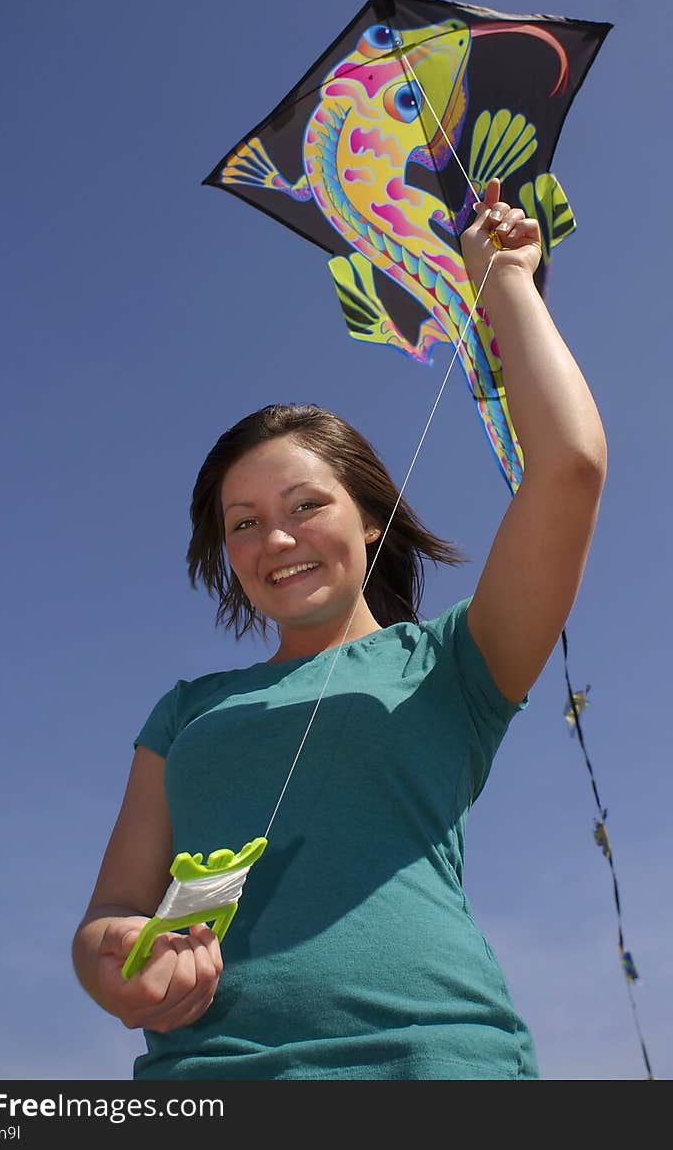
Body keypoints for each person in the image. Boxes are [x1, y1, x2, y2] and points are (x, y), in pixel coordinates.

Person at [71, 179, 608, 1079]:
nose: (273, 539)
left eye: (304, 504)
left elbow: (570, 466)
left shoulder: (455, 664)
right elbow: (108, 916)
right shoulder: (183, 712)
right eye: (241, 523)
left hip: (431, 1065)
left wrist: (507, 278)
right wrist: (118, 964)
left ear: (369, 517)